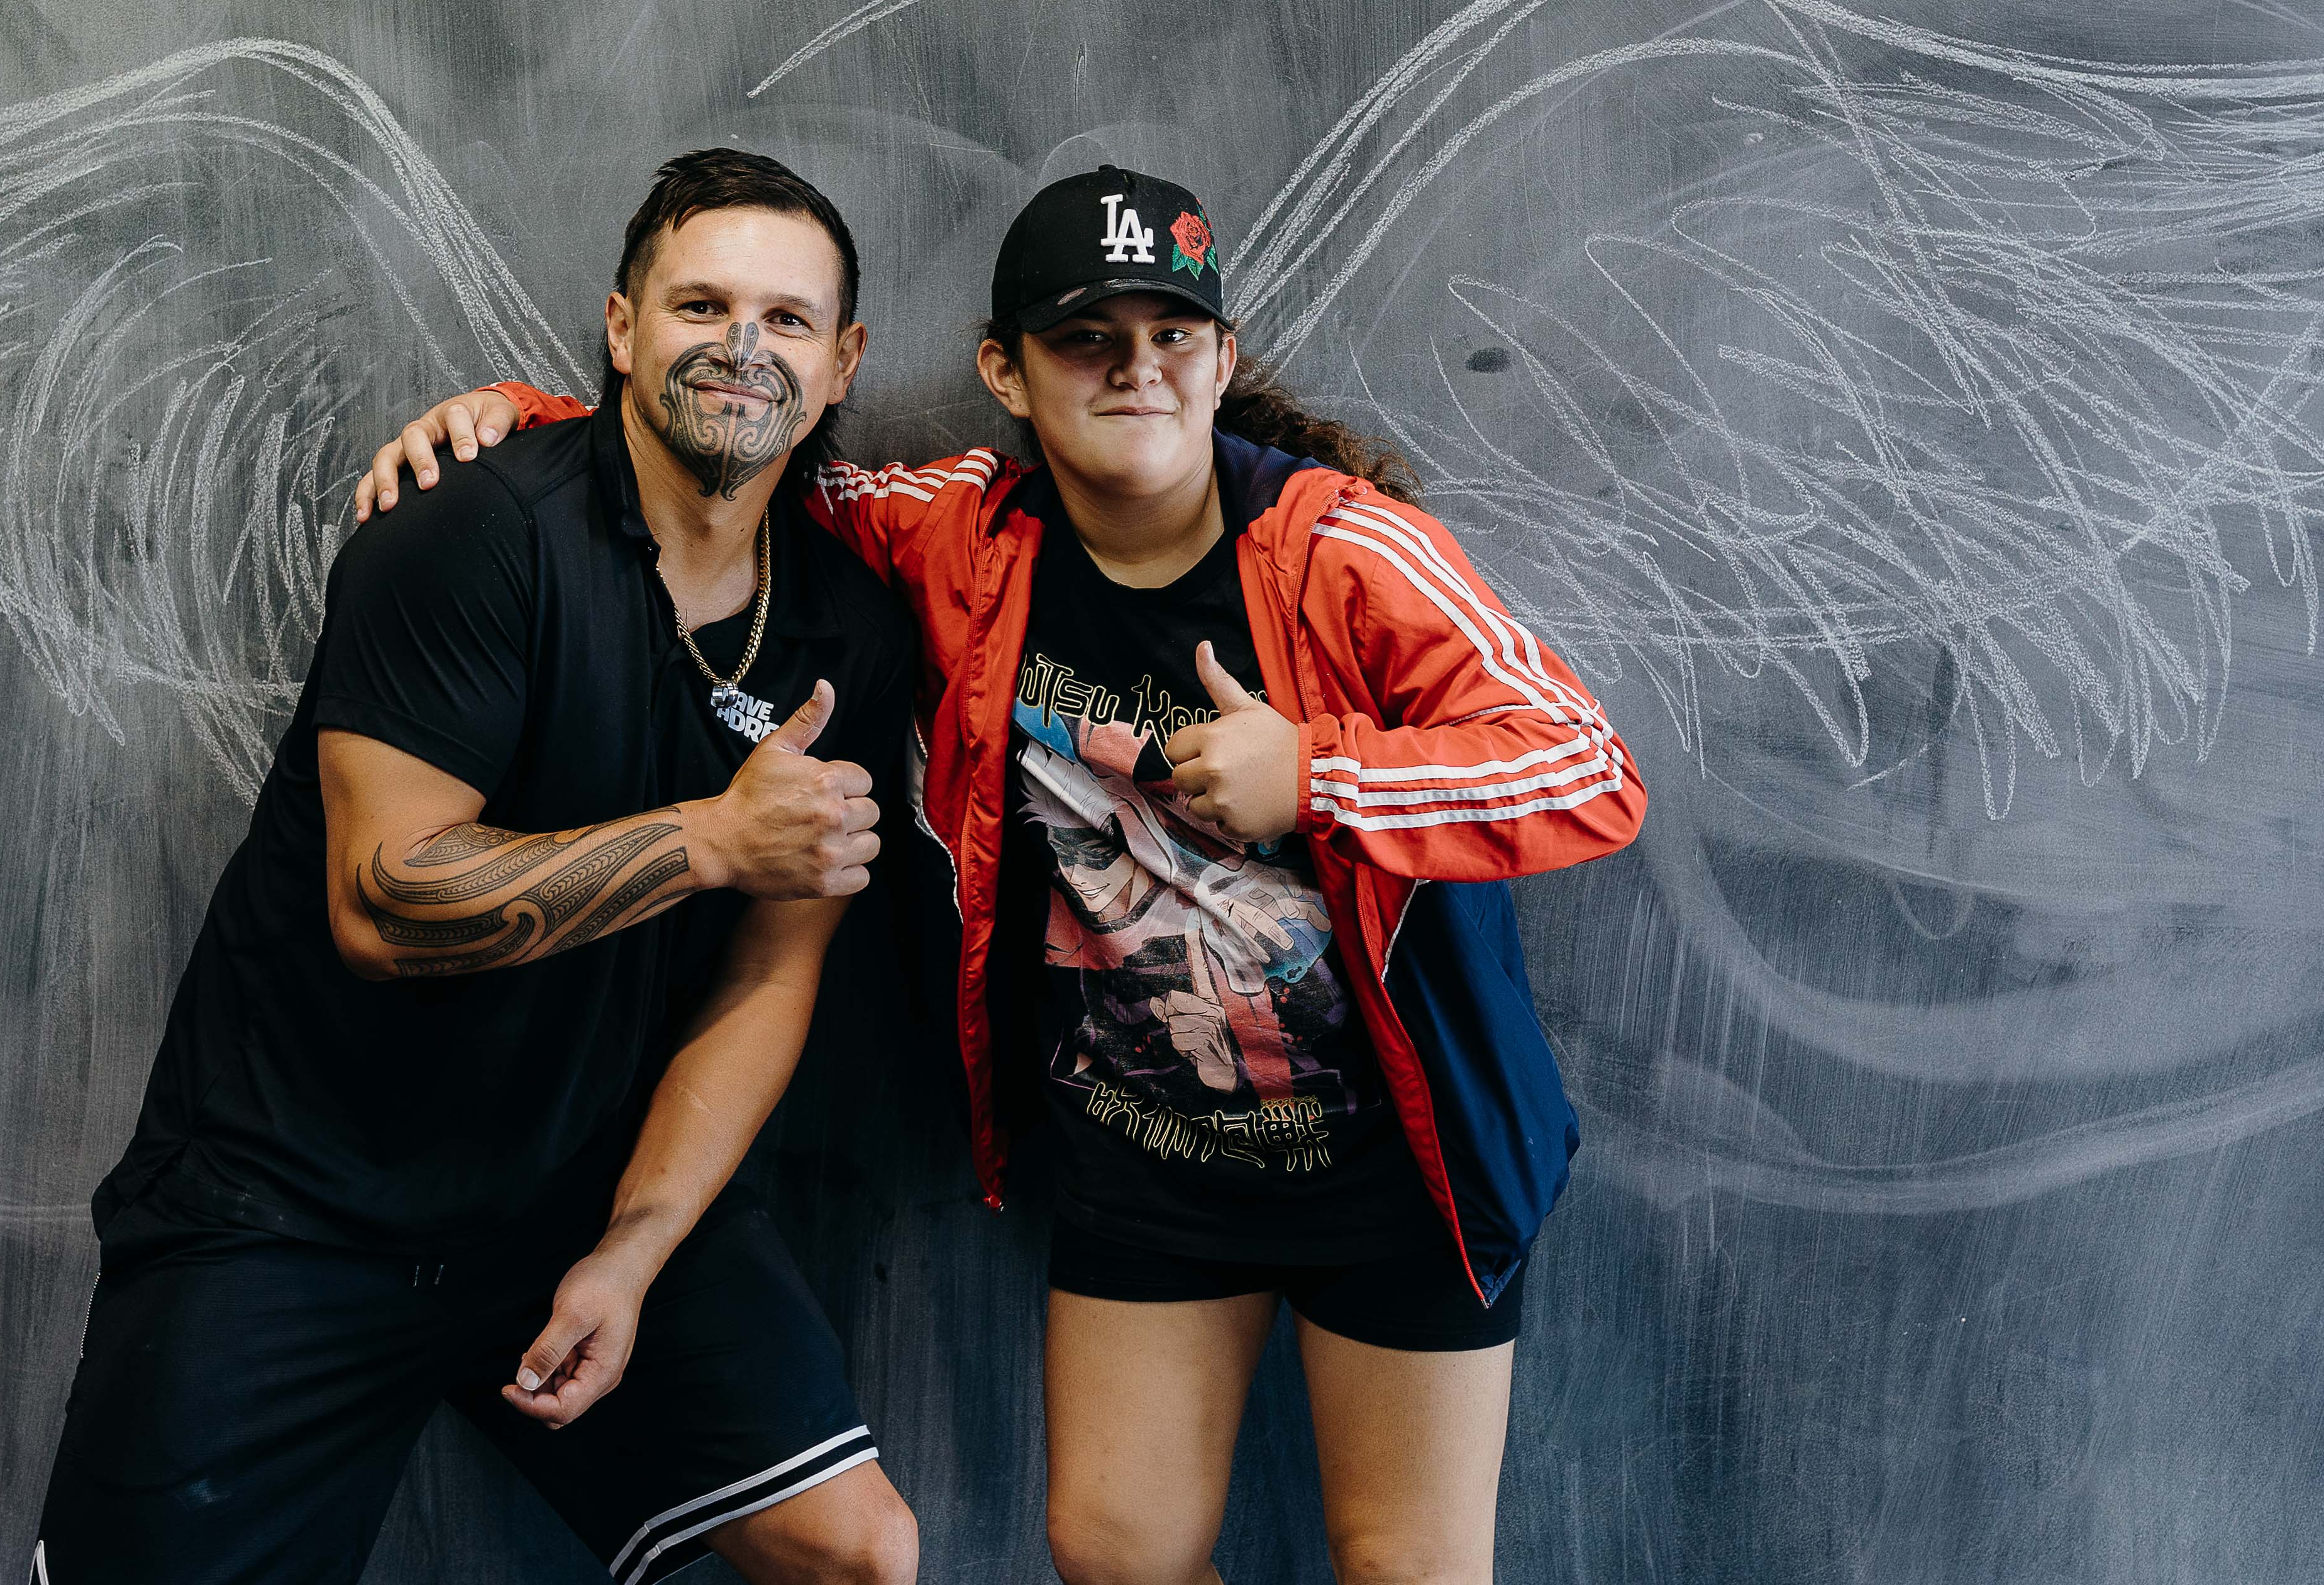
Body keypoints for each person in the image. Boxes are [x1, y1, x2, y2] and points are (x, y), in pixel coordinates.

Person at [356, 165, 1647, 1585]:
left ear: (1220, 359)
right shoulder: (962, 533)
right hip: (1151, 1155)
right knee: (1114, 1552)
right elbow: (743, 453)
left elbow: (1587, 764)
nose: (1136, 368)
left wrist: (1317, 775)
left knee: (1405, 1566)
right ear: (1007, 372)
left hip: (1399, 1164)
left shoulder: (1344, 548)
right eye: (1086, 338)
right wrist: (527, 417)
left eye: (1172, 334)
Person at [36, 150, 924, 1585]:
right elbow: (385, 902)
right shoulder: (471, 532)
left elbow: (767, 977)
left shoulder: (847, 634)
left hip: (570, 1192)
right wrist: (711, 837)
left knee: (858, 1552)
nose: (743, 346)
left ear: (842, 362)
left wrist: (634, 1246)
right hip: (295, 1200)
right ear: (623, 327)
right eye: (701, 305)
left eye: (788, 318)